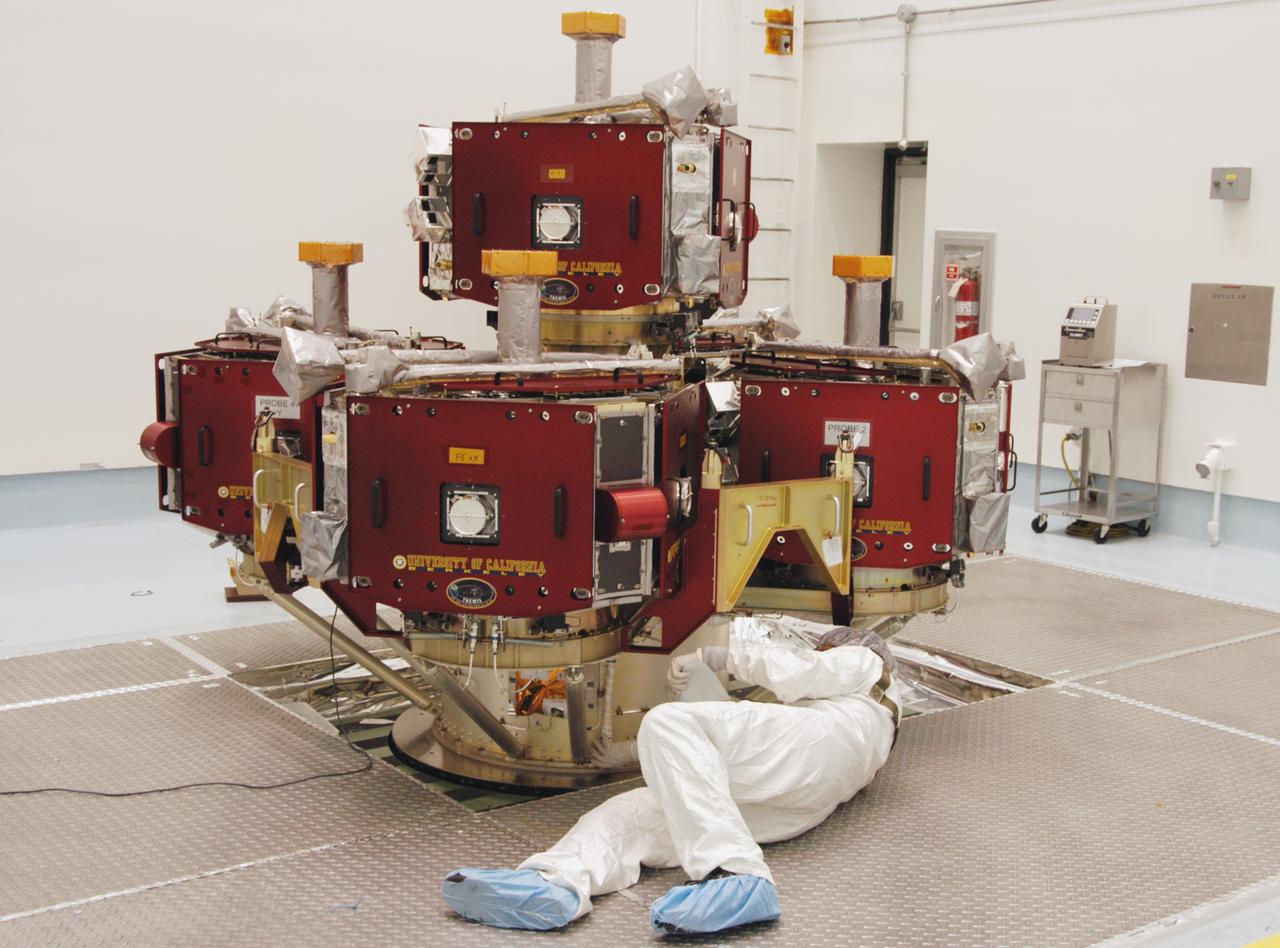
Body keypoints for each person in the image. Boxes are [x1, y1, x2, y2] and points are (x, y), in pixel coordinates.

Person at [441, 621, 900, 936]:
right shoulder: (874, 726)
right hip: (796, 804)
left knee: (667, 722)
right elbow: (719, 756)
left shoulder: (867, 662)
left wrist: (722, 656)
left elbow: (807, 672)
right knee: (634, 812)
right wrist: (694, 693)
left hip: (815, 748)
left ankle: (738, 874)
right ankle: (556, 883)